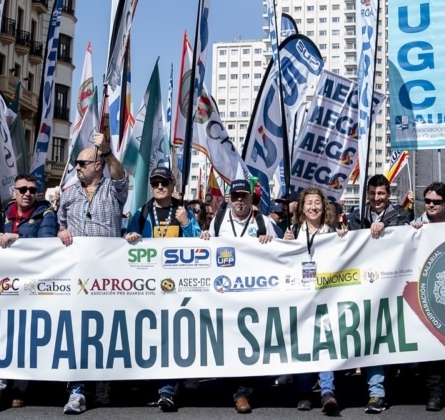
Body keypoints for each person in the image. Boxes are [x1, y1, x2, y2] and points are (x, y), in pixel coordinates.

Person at [57, 132, 126, 415]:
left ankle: (103, 382)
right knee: (77, 333)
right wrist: (61, 231)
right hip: (76, 278)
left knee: (104, 331)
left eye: (82, 163)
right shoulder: (68, 194)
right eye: (76, 164)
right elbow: (59, 224)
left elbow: (120, 175)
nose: (77, 167)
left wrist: (107, 152)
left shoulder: (113, 189)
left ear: (98, 165)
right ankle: (77, 390)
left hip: (107, 276)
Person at [125, 166, 200, 411]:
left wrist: (186, 223)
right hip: (147, 283)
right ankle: (148, 381)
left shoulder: (182, 211)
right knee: (149, 334)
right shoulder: (142, 212)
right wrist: (129, 238)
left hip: (177, 284)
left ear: (172, 184)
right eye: (155, 183)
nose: (159, 187)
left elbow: (199, 246)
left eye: (164, 183)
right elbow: (125, 242)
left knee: (173, 335)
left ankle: (167, 389)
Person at [201, 178, 274, 413]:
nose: (239, 200)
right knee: (229, 341)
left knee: (248, 342)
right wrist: (202, 238)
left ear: (251, 198)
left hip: (255, 292)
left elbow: (283, 249)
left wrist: (270, 241)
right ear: (229, 199)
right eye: (235, 196)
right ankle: (238, 391)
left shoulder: (263, 221)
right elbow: (207, 247)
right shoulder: (219, 221)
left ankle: (243, 391)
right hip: (225, 292)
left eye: (244, 196)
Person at [0, 174, 57, 411]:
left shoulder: (45, 214)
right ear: (14, 192)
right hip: (5, 285)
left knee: (27, 337)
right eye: (23, 189)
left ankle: (20, 388)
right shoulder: (3, 215)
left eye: (32, 190)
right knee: (0, 335)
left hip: (33, 285)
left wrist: (17, 238)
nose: (28, 193)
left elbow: (46, 243)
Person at [350, 174, 413, 413]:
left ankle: (384, 383)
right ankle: (376, 392)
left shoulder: (401, 215)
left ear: (388, 194)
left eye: (381, 194)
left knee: (390, 338)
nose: (377, 199)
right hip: (366, 286)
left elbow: (407, 239)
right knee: (373, 338)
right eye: (373, 194)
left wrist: (387, 228)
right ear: (367, 194)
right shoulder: (358, 216)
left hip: (394, 285)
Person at [283, 187, 347, 414]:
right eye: (309, 203)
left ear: (324, 207)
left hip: (326, 297)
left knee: (325, 345)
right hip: (300, 297)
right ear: (302, 207)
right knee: (304, 345)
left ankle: (327, 392)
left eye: (317, 203)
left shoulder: (332, 231)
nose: (313, 207)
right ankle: (304, 393)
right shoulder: (292, 231)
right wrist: (285, 243)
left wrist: (342, 240)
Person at [411, 183, 445, 412]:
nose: (431, 205)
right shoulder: (415, 226)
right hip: (425, 294)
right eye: (428, 201)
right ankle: (434, 392)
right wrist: (411, 231)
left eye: (436, 201)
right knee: (431, 346)